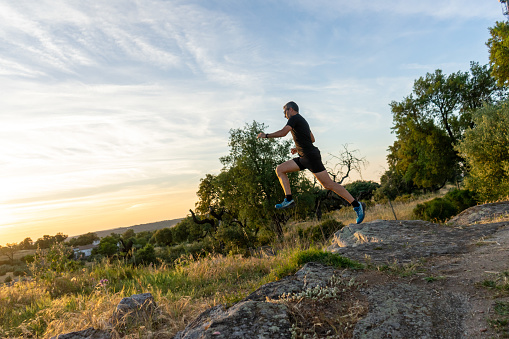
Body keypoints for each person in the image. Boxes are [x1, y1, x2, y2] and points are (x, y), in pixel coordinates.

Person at [257, 101, 365, 224]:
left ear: (290, 109)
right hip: (304, 157)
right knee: (280, 169)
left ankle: (357, 205)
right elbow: (312, 139)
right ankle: (289, 199)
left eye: (285, 112)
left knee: (329, 184)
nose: (284, 115)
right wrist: (298, 148)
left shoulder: (295, 118)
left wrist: (265, 135)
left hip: (311, 158)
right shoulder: (302, 121)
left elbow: (283, 133)